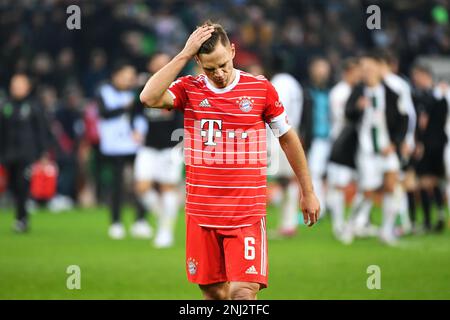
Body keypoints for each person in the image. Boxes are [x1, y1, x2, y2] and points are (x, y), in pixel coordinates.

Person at [139, 21, 320, 300]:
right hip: (202, 214)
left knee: (243, 293)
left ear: (233, 51)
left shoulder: (260, 89)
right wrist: (184, 53)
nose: (219, 73)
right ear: (198, 61)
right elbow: (149, 97)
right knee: (214, 294)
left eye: (223, 64)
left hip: (245, 213)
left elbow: (288, 138)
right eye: (210, 68)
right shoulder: (189, 87)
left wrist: (307, 191)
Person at [344, 53, 409, 245]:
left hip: (387, 149)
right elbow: (348, 114)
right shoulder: (358, 92)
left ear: (379, 70)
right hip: (366, 152)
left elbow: (403, 120)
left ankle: (386, 231)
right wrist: (357, 107)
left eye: (371, 69)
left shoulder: (391, 92)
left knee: (391, 187)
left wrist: (396, 143)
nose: (367, 73)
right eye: (364, 70)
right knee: (368, 192)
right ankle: (349, 225)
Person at [132, 53, 184, 247]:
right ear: (151, 64)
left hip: (171, 147)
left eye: (165, 63)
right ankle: (162, 217)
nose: (161, 66)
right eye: (158, 62)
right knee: (142, 187)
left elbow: (184, 115)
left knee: (167, 188)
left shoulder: (177, 87)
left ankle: (165, 232)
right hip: (148, 146)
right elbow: (134, 112)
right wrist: (134, 129)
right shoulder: (144, 87)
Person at [97, 62, 149, 239]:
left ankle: (141, 221)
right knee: (117, 186)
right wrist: (125, 107)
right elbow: (104, 113)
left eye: (131, 76)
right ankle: (116, 222)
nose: (129, 79)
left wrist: (139, 131)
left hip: (134, 145)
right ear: (115, 75)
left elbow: (141, 115)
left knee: (141, 184)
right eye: (125, 75)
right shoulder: (105, 92)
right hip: (113, 146)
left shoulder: (138, 93)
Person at [0, 73, 51, 232]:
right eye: (15, 85)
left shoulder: (34, 106)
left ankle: (22, 219)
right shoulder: (5, 105)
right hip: (7, 153)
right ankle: (19, 215)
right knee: (12, 186)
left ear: (27, 87)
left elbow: (42, 131)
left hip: (26, 154)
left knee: (23, 185)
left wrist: (43, 152)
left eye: (21, 85)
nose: (17, 88)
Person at [267, 59, 303, 237]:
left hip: (279, 136)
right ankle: (287, 223)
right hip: (293, 133)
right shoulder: (295, 85)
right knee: (286, 181)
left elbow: (275, 114)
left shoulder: (277, 84)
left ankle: (289, 224)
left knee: (286, 181)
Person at [326, 57, 361, 241]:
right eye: (356, 72)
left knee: (364, 185)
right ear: (348, 72)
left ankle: (357, 223)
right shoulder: (339, 92)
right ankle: (339, 224)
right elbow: (343, 117)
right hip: (341, 141)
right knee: (339, 185)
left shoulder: (357, 90)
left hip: (356, 142)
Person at [411, 64, 448, 232]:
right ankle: (439, 215)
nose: (415, 80)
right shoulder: (440, 96)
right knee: (435, 180)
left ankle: (427, 221)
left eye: (417, 76)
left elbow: (422, 124)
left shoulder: (425, 98)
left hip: (428, 144)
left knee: (424, 182)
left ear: (425, 76)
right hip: (440, 143)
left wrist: (419, 142)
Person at [301, 57, 332, 216]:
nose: (321, 72)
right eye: (318, 68)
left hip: (334, 138)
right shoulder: (306, 91)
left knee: (333, 174)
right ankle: (321, 205)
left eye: (324, 68)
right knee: (315, 172)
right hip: (317, 138)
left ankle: (328, 204)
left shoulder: (332, 90)